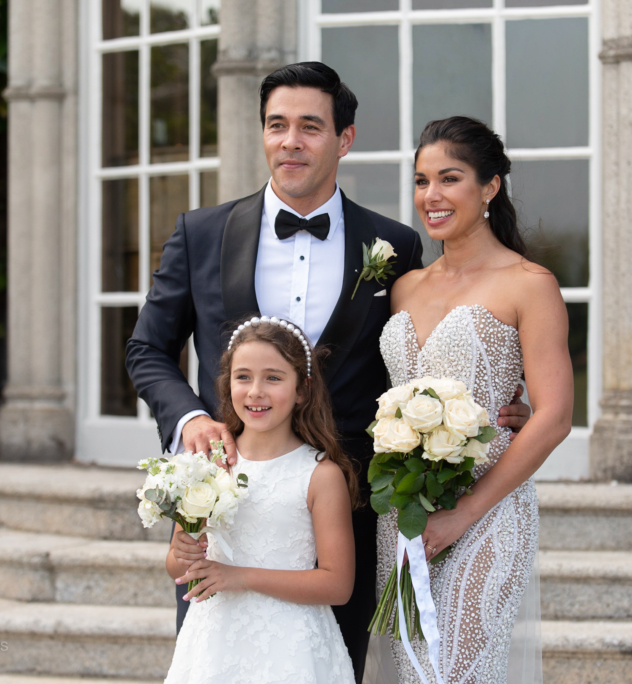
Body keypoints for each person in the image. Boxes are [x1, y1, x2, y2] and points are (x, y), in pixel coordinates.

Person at [124, 62, 532, 681]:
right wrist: (192, 421)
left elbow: (424, 351)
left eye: (310, 126)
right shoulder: (201, 233)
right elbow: (147, 350)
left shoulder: (395, 246)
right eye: (277, 125)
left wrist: (496, 401)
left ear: (344, 139)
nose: (291, 141)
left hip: (350, 509)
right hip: (226, 512)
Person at [376, 116, 573, 683]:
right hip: (404, 517)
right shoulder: (403, 286)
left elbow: (555, 416)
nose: (430, 196)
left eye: (449, 178)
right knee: (413, 673)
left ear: (489, 187)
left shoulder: (529, 283)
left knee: (458, 674)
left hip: (487, 511)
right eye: (420, 181)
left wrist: (463, 512)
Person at [163, 318, 358, 684]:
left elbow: (338, 584)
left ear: (302, 389)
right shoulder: (206, 466)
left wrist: (239, 576)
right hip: (214, 646)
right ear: (227, 383)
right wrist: (181, 551)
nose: (255, 391)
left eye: (273, 377)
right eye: (243, 377)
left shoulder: (320, 474)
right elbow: (177, 569)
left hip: (291, 648)